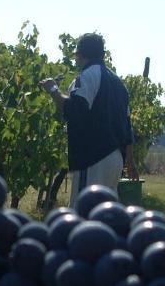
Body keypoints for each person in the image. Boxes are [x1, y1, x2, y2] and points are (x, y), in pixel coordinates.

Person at [39, 33, 136, 205]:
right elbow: (127, 125)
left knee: (84, 216)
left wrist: (53, 89)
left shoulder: (86, 77)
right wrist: (129, 160)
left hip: (93, 159)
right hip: (115, 160)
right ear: (103, 55)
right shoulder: (118, 83)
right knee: (106, 215)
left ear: (78, 55)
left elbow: (75, 110)